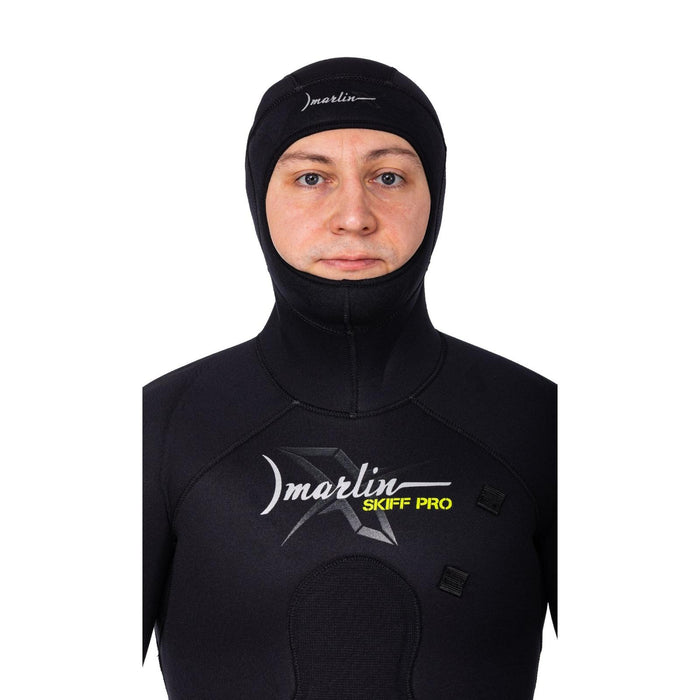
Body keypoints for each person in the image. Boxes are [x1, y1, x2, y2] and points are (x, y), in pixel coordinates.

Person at [143, 57, 557, 699]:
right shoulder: (159, 428)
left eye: (388, 177)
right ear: (259, 198)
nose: (354, 217)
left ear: (434, 196)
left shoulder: (541, 422)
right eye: (311, 178)